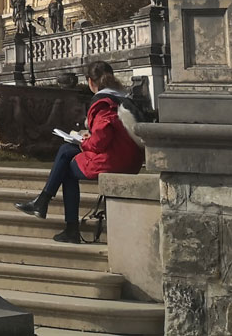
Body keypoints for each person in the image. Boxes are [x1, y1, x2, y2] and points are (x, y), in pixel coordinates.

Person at [14, 60, 145, 243]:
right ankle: (43, 203)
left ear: (90, 82)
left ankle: (64, 222)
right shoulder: (123, 98)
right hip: (130, 158)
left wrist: (84, 141)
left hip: (114, 160)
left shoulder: (103, 103)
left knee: (66, 168)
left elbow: (100, 141)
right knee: (67, 150)